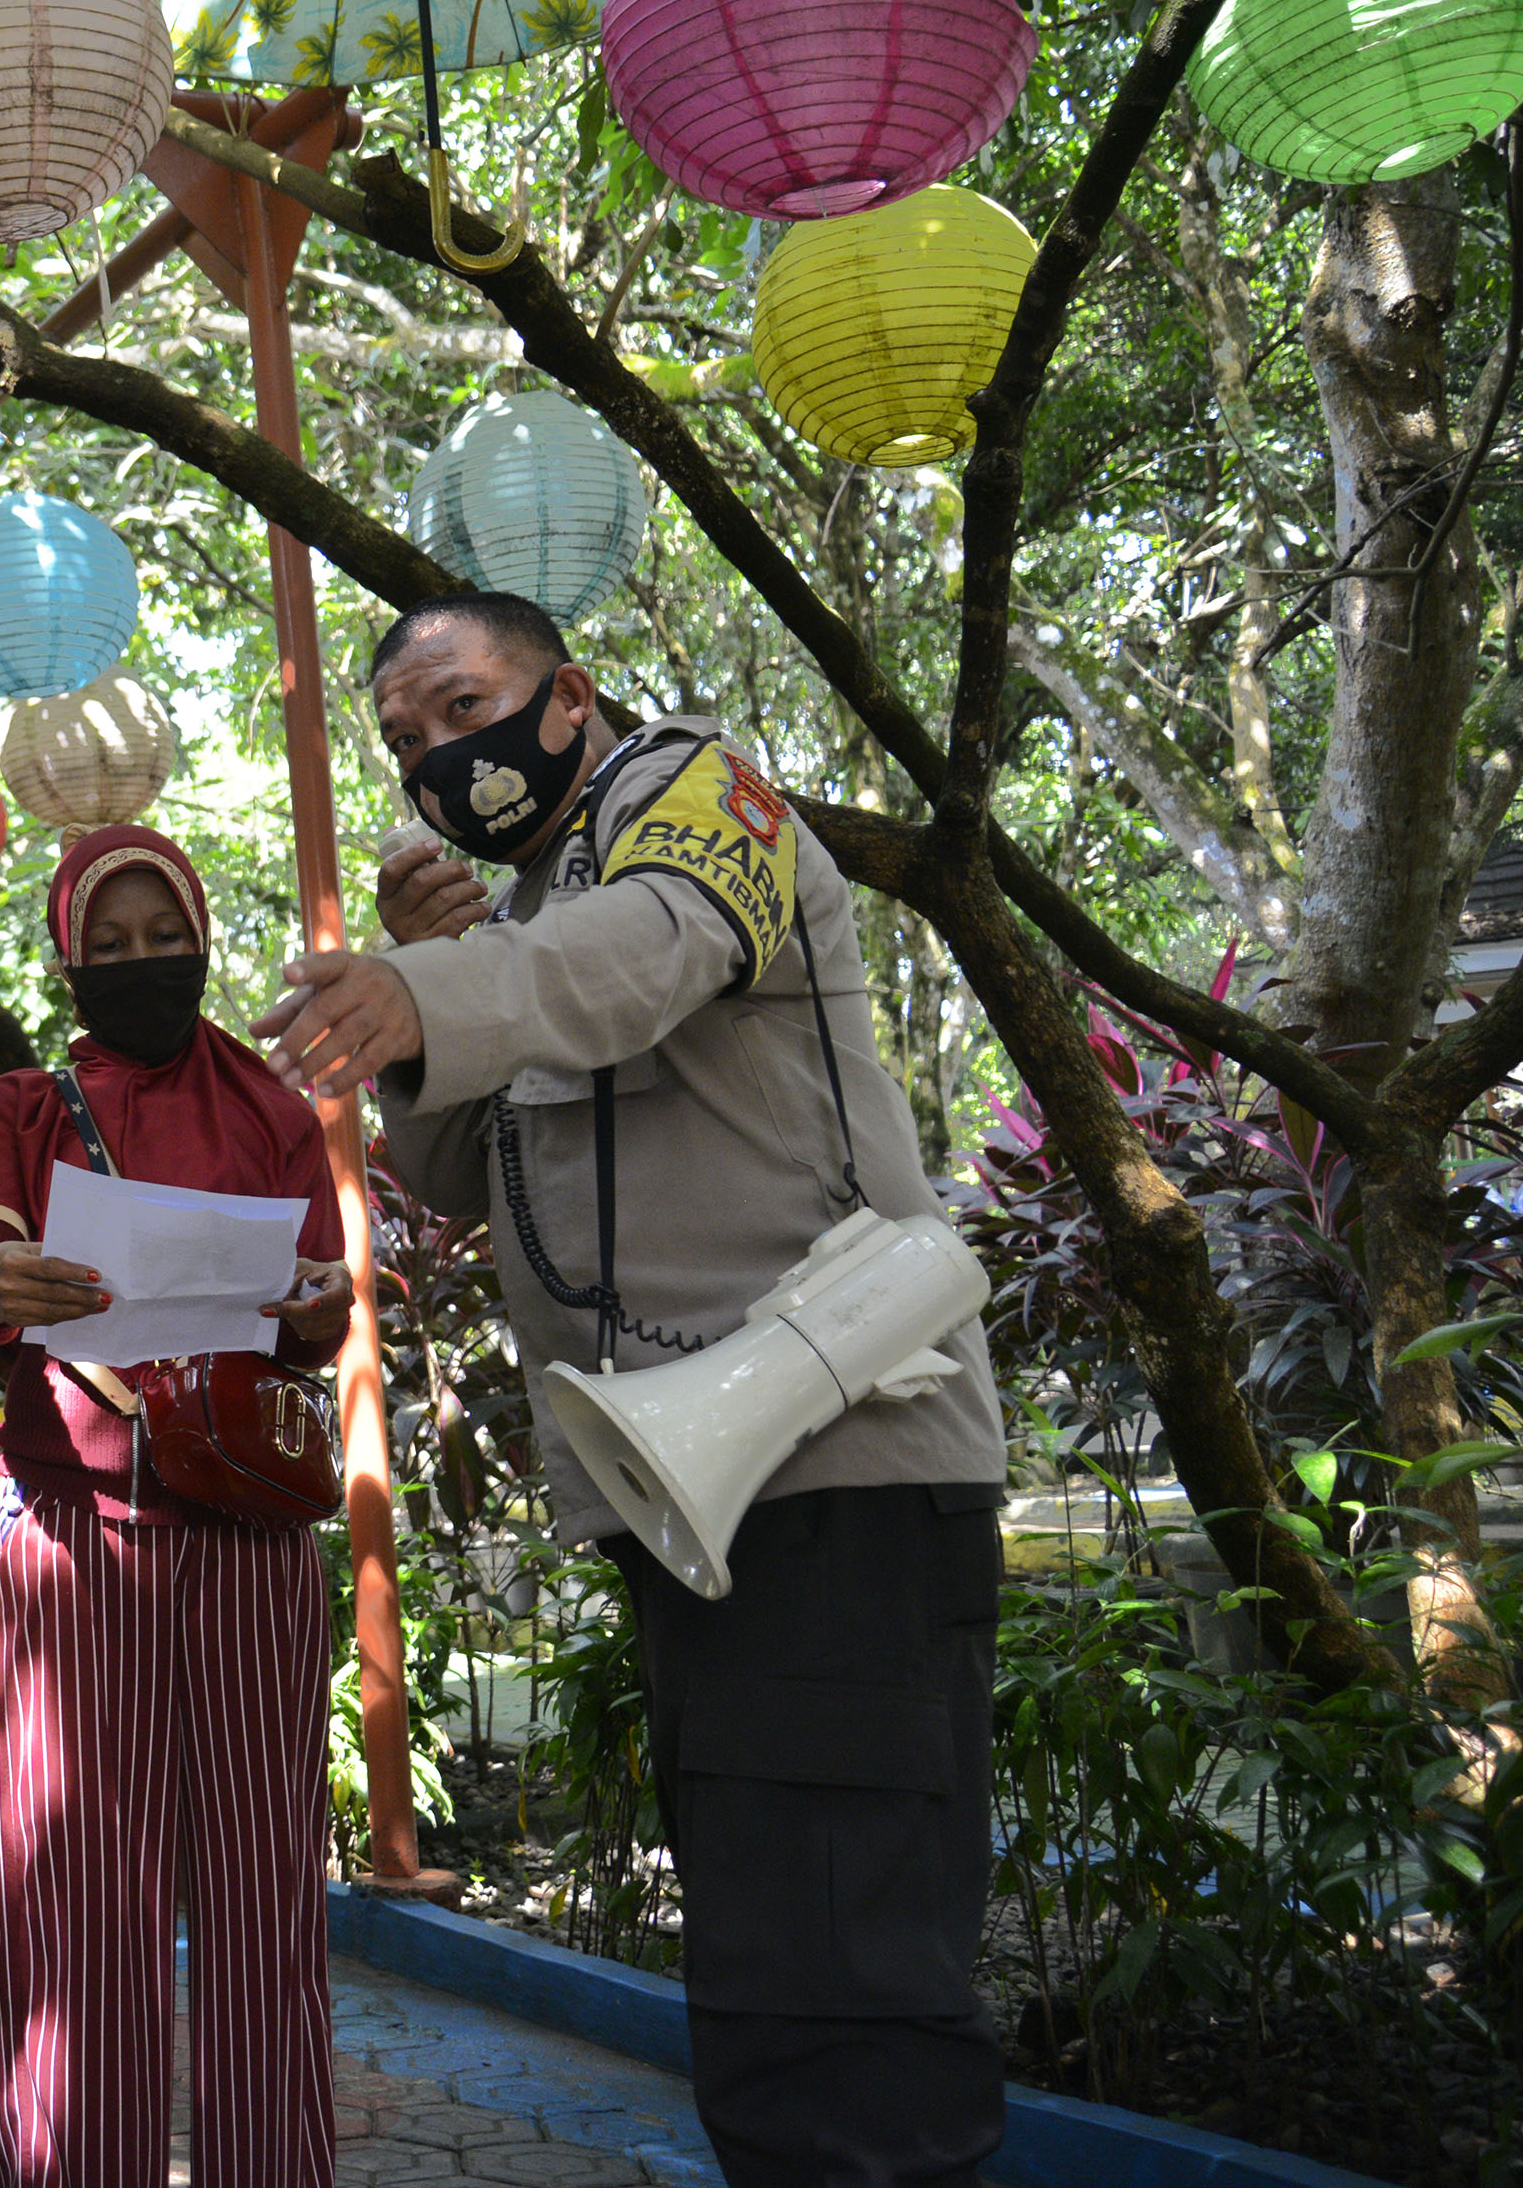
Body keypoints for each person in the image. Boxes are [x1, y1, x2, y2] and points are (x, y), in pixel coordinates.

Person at [261, 593, 1009, 2188]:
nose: (441, 761)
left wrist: (448, 988)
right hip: (697, 1493)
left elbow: (654, 949)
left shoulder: (695, 794)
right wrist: (437, 982)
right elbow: (467, 1168)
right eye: (407, 747)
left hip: (836, 1469)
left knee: (849, 1992)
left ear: (569, 693)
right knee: (769, 1965)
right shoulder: (536, 919)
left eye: (465, 711)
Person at [0, 821, 357, 2188]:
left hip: (249, 1531)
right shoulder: (21, 1108)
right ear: (63, 951)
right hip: (73, 1535)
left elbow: (318, 1306)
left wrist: (322, 1307)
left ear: (203, 931)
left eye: (160, 931)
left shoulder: (273, 1103)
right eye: (104, 943)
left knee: (262, 1890)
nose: (138, 960)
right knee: (75, 1898)